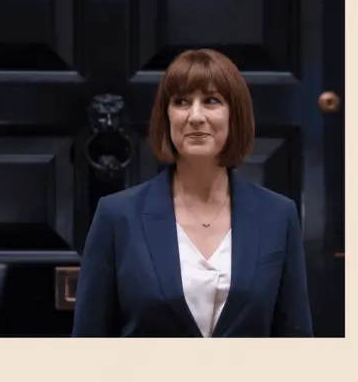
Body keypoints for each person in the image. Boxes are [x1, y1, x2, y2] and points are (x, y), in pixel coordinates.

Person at [72, 48, 313, 337]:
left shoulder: (277, 215)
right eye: (181, 102)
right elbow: (89, 342)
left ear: (234, 116)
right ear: (167, 116)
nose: (195, 116)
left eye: (211, 101)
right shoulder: (117, 216)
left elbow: (296, 342)